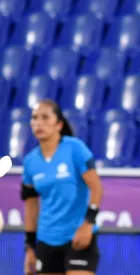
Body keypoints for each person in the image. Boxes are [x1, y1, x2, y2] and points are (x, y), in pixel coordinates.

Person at [21, 99, 103, 275]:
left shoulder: (75, 148)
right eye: (35, 118)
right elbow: (31, 206)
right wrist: (29, 247)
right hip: (46, 239)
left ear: (58, 124)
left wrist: (88, 223)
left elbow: (96, 188)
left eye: (45, 117)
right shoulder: (29, 162)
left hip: (78, 236)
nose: (38, 123)